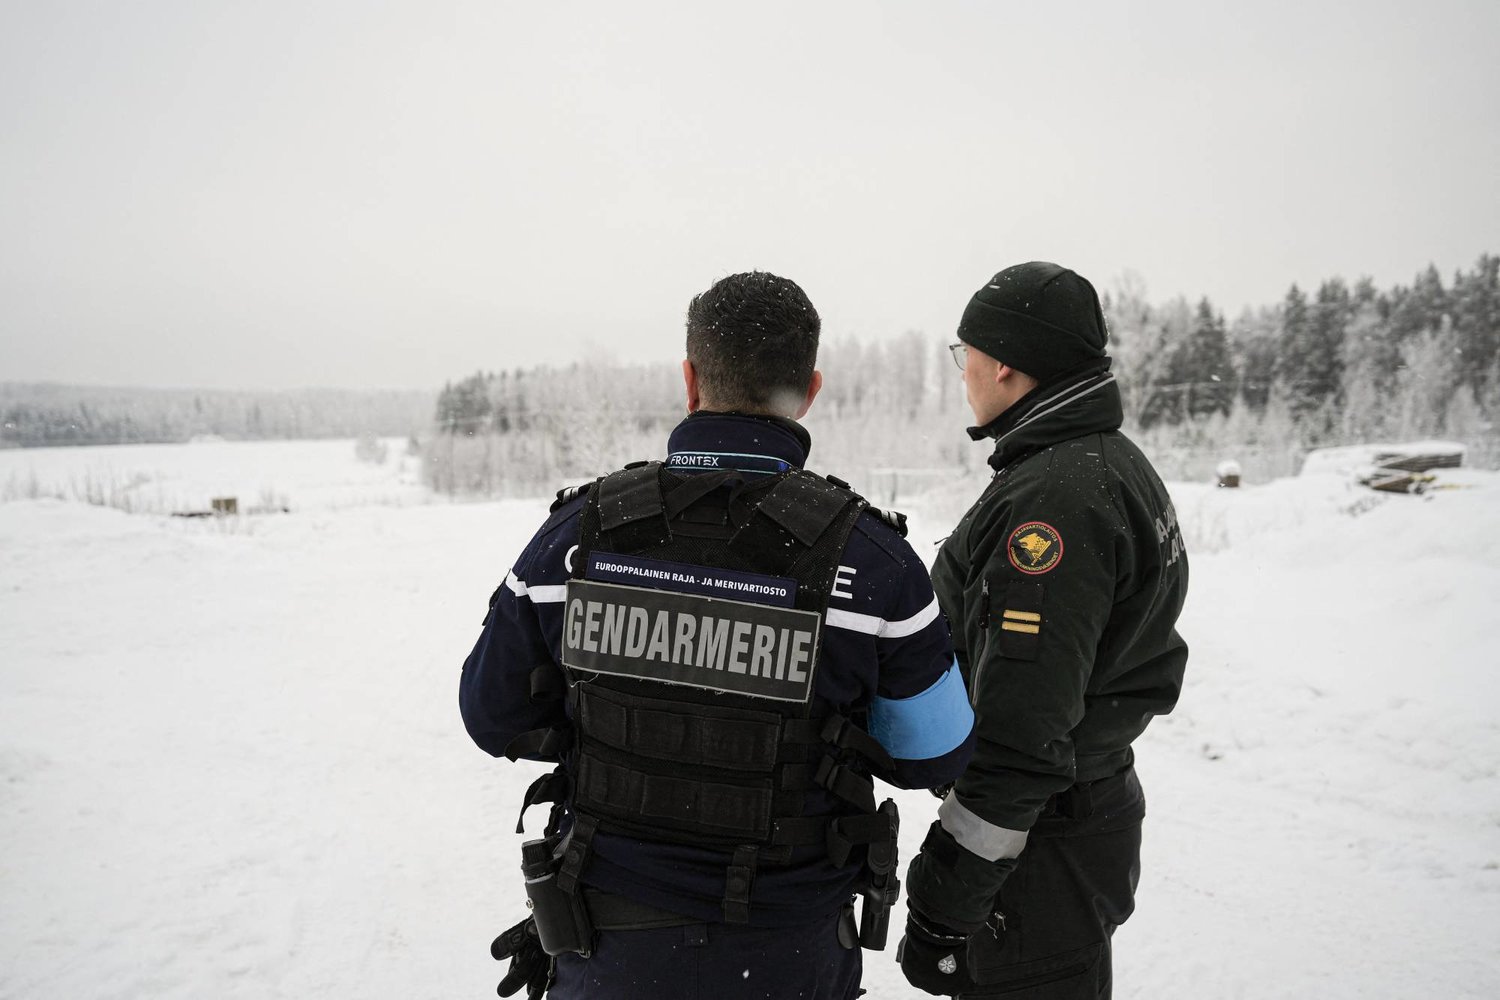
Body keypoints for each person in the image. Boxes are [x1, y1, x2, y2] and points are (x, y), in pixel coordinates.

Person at [460, 271, 976, 1000]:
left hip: (610, 950)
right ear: (810, 390)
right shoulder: (875, 563)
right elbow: (934, 753)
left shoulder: (573, 538)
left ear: (690, 380)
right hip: (791, 955)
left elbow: (492, 717)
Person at [898, 262, 1189, 999]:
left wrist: (944, 899)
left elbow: (1023, 733)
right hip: (1071, 824)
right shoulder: (1100, 462)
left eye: (966, 355)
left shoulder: (1055, 498)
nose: (964, 373)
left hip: (1040, 845)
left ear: (1005, 363)